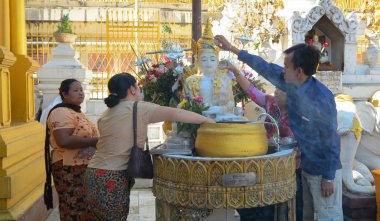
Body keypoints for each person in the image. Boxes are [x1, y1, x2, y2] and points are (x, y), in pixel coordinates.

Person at [215, 35, 342, 220]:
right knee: (307, 215)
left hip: (324, 170)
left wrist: (328, 177)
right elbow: (264, 67)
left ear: (299, 71)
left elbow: (331, 138)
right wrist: (232, 48)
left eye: (286, 66)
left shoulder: (321, 98)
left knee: (327, 216)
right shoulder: (291, 83)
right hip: (307, 166)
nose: (282, 70)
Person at [85, 73, 215, 221]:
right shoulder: (138, 108)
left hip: (93, 173)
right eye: (138, 87)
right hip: (112, 177)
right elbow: (176, 113)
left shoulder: (106, 114)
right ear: (132, 90)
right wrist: (208, 121)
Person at [221, 60, 302, 221]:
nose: (277, 92)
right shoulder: (270, 102)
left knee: (294, 208)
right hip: (268, 164)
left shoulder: (300, 113)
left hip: (292, 167)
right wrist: (236, 72)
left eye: (282, 90)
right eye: (277, 88)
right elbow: (251, 91)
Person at [45, 79, 99, 221]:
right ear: (64, 94)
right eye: (76, 90)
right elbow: (64, 140)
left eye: (81, 90)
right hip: (67, 167)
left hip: (82, 167)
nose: (80, 93)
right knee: (73, 208)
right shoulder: (61, 112)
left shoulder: (77, 112)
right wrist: (94, 141)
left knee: (85, 207)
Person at [184, 19, 243, 122]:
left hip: (220, 119)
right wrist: (199, 109)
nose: (208, 63)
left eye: (212, 59)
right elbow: (185, 103)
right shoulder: (190, 81)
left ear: (217, 61)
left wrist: (220, 109)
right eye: (204, 59)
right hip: (198, 121)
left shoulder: (224, 80)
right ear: (197, 61)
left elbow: (231, 103)